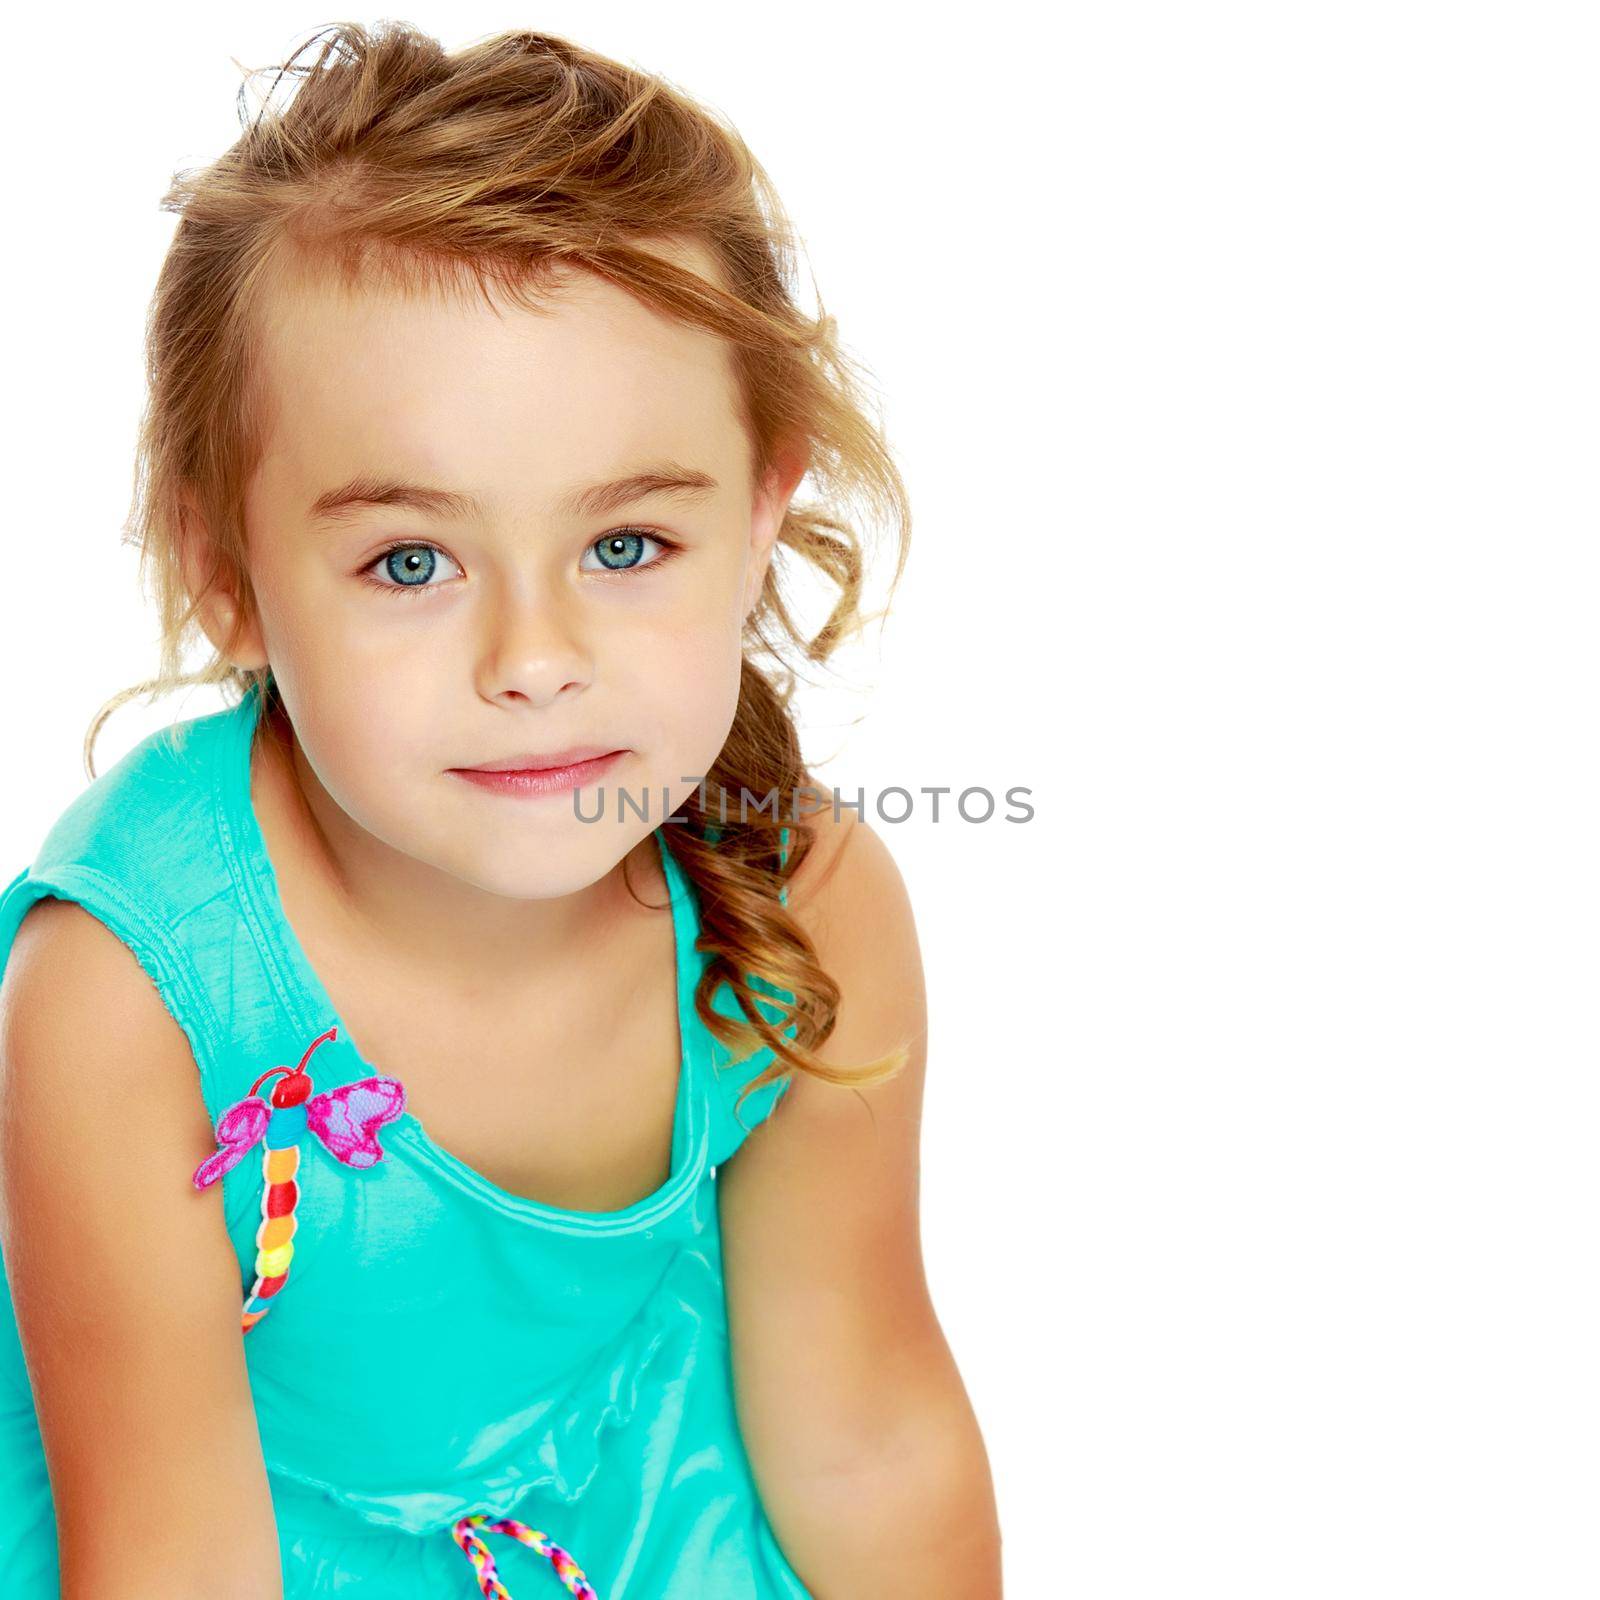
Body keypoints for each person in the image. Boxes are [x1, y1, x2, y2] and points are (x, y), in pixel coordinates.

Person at [0, 21, 1001, 1598]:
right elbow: (169, 1558)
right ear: (226, 576)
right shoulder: (125, 998)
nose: (534, 662)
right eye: (412, 562)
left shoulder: (799, 893)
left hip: (645, 1518)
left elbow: (867, 1432)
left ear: (759, 513)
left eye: (625, 548)